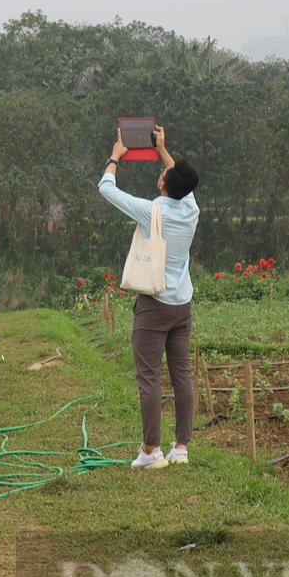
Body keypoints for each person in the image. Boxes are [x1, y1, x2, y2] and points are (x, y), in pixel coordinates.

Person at [98, 125, 200, 469]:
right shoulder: (190, 209)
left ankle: (151, 451)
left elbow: (106, 188)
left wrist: (116, 155)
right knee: (182, 374)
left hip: (154, 307)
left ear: (162, 185)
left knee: (149, 377)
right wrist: (162, 149)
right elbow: (180, 183)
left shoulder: (151, 211)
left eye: (164, 172)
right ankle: (181, 448)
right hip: (181, 305)